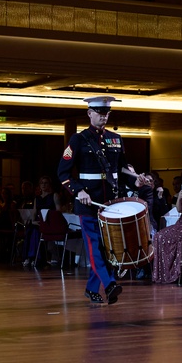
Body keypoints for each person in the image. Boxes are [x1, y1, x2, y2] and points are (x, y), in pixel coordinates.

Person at [57, 96, 149, 305]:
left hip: (111, 202)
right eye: (99, 113)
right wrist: (78, 191)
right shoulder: (78, 140)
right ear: (89, 113)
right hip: (88, 202)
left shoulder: (116, 139)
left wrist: (135, 182)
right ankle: (109, 284)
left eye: (106, 113)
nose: (103, 117)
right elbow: (63, 173)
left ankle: (91, 288)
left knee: (108, 247)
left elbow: (122, 169)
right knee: (95, 245)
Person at [152, 177, 182, 284]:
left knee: (175, 237)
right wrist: (180, 198)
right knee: (159, 235)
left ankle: (175, 272)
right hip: (181, 222)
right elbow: (180, 210)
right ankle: (162, 273)